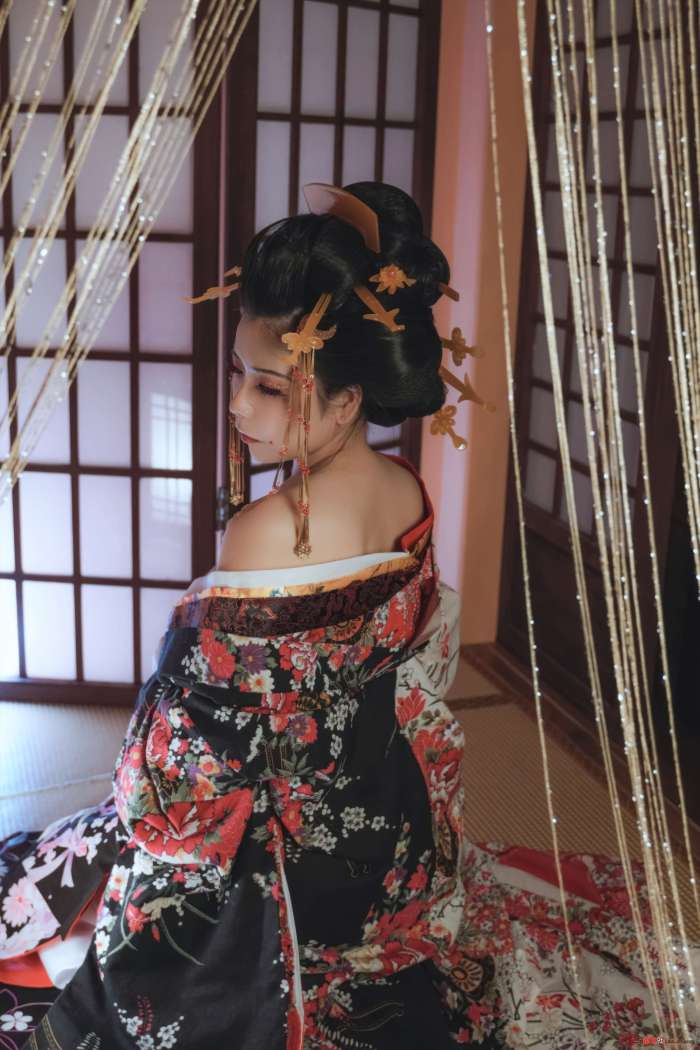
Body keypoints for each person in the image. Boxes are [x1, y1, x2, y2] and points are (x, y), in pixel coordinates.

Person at [0, 182, 697, 1049]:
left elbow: (188, 753)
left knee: (82, 890)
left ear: (348, 398)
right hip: (393, 820)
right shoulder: (406, 488)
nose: (238, 405)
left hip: (285, 866)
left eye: (269, 386)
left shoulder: (263, 534)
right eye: (238, 375)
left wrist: (136, 818)